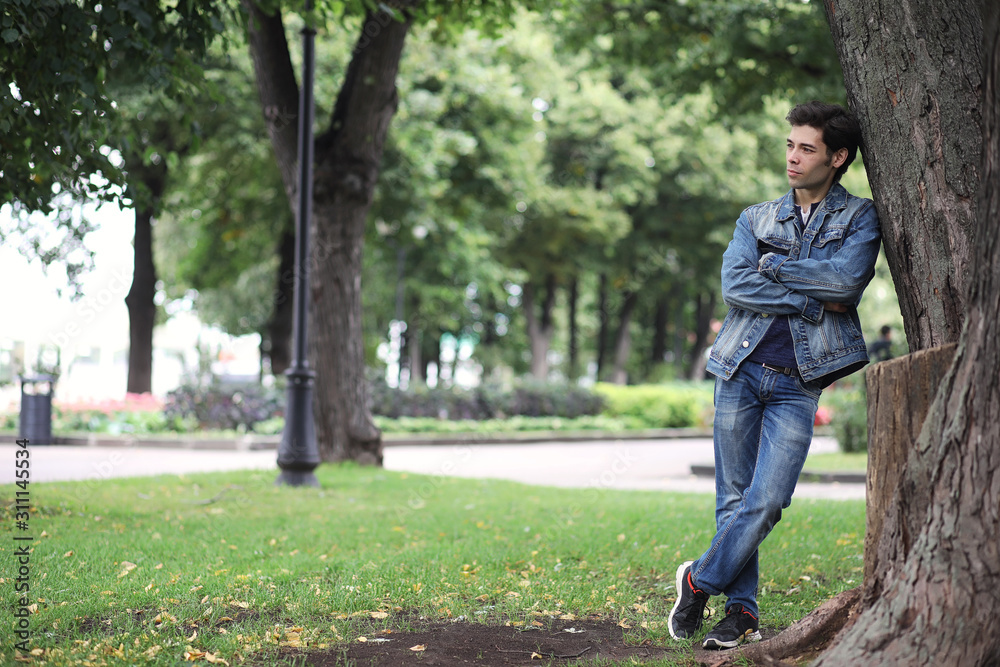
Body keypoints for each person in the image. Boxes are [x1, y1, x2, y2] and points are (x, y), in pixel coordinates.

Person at [668, 101, 881, 650]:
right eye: (790, 144)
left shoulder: (860, 217)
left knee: (768, 500)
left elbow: (846, 284)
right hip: (738, 369)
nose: (793, 156)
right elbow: (736, 287)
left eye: (806, 148)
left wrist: (775, 266)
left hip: (798, 380)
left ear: (836, 157)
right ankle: (740, 615)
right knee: (733, 499)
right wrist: (810, 304)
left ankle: (697, 580)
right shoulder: (755, 218)